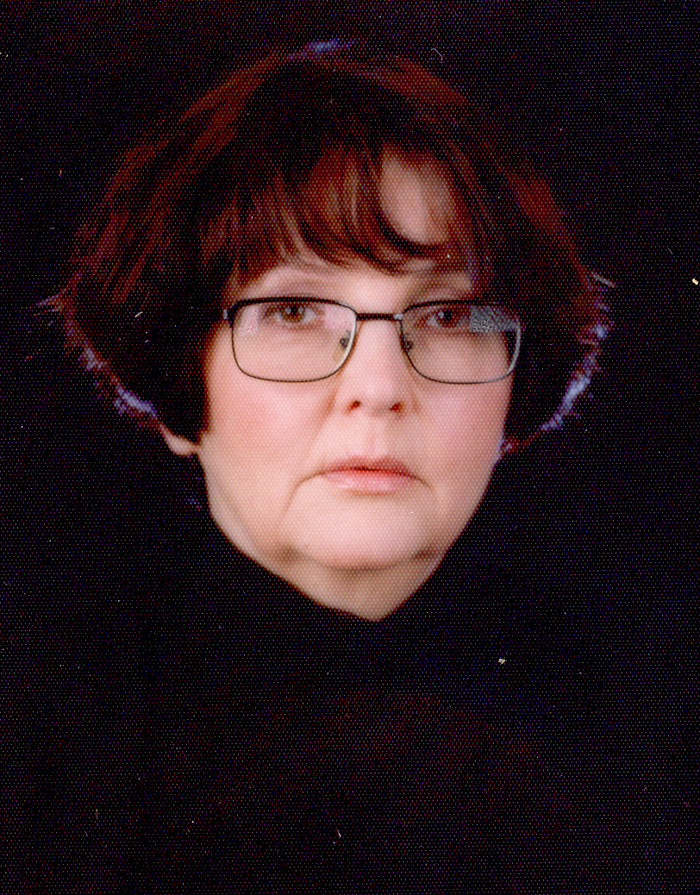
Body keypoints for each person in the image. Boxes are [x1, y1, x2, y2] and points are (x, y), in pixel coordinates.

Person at [2, 41, 696, 894]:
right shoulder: (39, 742)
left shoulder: (643, 740)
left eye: (449, 314)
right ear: (181, 374)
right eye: (294, 310)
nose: (378, 387)